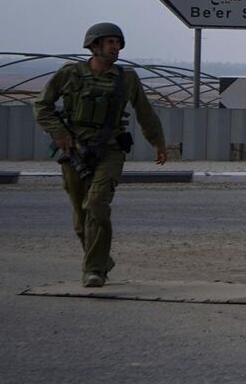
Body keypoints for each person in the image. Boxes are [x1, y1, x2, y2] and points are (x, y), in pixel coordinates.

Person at [33, 22, 169, 287]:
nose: (115, 47)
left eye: (118, 42)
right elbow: (42, 106)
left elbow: (145, 112)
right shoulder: (70, 74)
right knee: (81, 215)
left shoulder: (126, 78)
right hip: (74, 151)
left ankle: (95, 270)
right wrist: (59, 133)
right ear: (94, 46)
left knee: (96, 205)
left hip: (110, 150)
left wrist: (159, 143)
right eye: (109, 42)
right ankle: (102, 259)